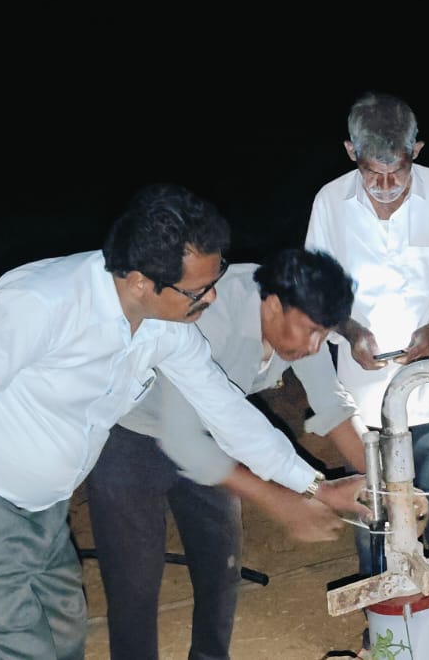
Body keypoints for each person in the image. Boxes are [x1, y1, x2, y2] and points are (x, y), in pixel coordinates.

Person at [0, 184, 368, 658]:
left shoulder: (162, 326)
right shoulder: (39, 305)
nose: (213, 299)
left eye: (214, 281)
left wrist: (314, 485)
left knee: (65, 639)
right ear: (139, 281)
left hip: (45, 512)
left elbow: (227, 410)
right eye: (198, 290)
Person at [87, 247, 371, 660]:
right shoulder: (212, 317)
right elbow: (183, 441)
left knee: (221, 569)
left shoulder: (300, 320)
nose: (315, 346)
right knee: (134, 583)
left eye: (323, 335)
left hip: (213, 433)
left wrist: (387, 485)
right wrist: (284, 501)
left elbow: (333, 407)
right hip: (132, 433)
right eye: (311, 331)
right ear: (272, 306)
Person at [304, 91, 429, 647]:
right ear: (350, 153)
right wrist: (349, 330)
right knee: (374, 520)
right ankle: (386, 638)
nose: (384, 185)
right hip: (363, 397)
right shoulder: (330, 203)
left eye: (397, 172)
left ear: (417, 151)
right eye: (371, 173)